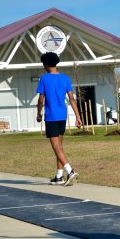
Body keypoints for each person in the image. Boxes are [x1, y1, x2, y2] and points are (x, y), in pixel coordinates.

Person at [36, 52, 82, 186]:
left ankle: (70, 170)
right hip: (63, 115)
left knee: (55, 146)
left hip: (51, 116)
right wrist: (78, 117)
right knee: (59, 146)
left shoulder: (44, 79)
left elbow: (40, 99)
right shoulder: (66, 78)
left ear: (45, 64)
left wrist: (39, 113)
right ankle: (59, 176)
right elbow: (72, 98)